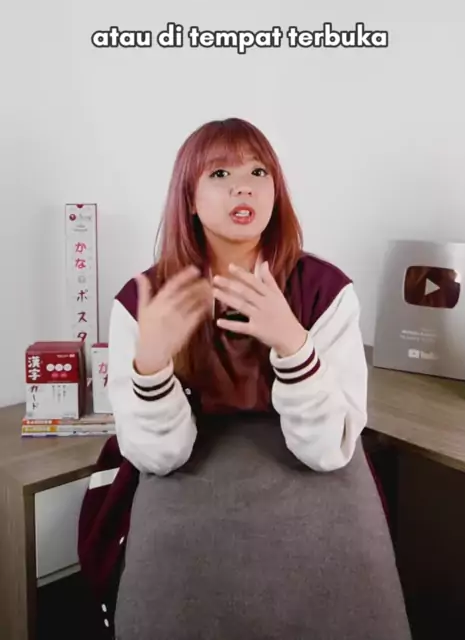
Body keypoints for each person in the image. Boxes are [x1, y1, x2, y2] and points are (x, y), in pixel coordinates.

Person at [78, 117, 411, 640]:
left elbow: (329, 449)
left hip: (307, 457)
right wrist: (152, 367)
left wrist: (293, 343)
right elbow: (160, 456)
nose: (243, 187)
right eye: (219, 174)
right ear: (189, 198)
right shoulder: (145, 300)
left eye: (259, 172)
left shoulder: (326, 291)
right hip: (189, 459)